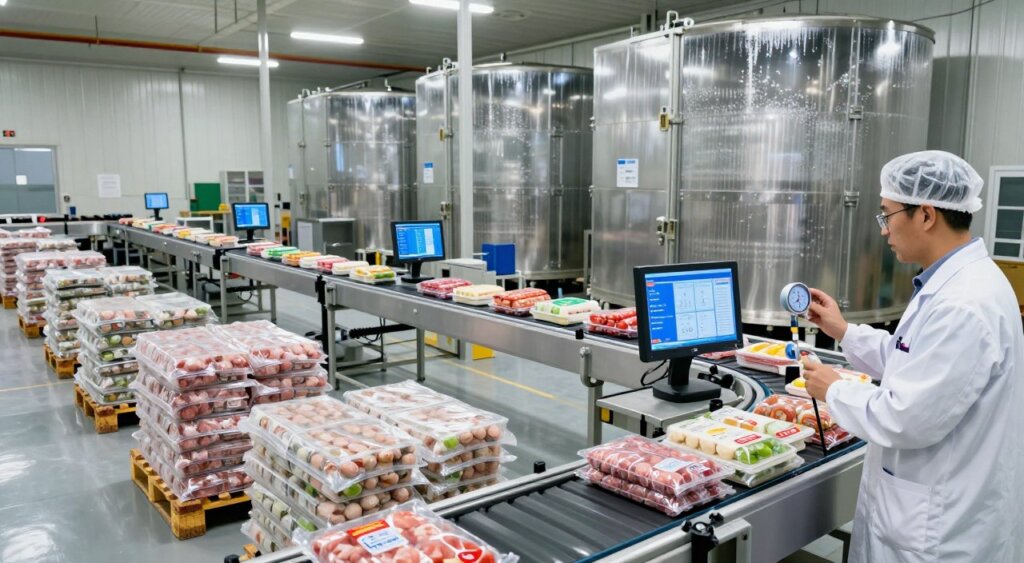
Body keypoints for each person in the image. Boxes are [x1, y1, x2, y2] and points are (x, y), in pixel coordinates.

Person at [802, 150, 1024, 563]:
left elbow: (906, 418)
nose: (884, 230)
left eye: (887, 214)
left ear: (925, 215)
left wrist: (834, 390)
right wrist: (844, 331)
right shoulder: (961, 283)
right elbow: (914, 359)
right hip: (934, 509)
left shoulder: (964, 303)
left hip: (943, 531)